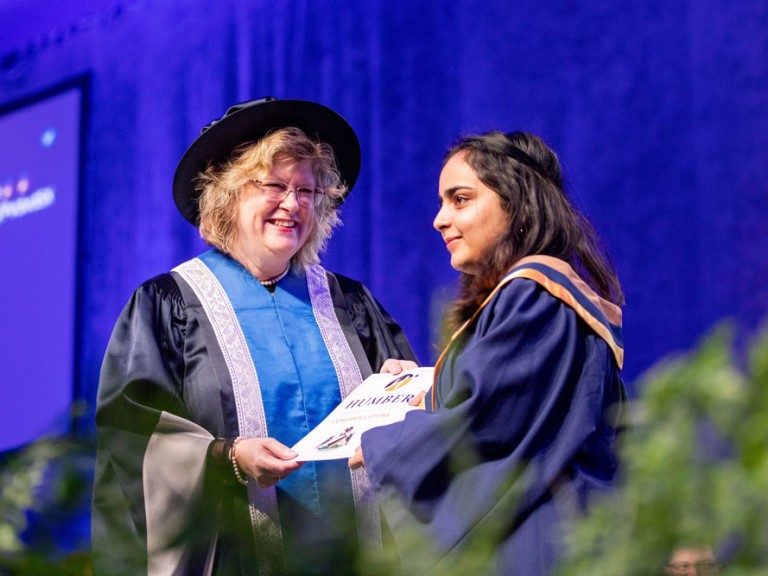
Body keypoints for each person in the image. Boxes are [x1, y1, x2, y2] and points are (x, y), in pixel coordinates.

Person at [92, 97, 418, 575]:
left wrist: (405, 390)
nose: (293, 204)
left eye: (307, 191)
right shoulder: (170, 304)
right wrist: (228, 457)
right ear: (227, 194)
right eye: (275, 185)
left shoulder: (351, 304)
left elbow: (411, 430)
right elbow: (134, 438)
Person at [350, 130, 627, 575]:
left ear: (516, 206)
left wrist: (383, 439)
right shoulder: (527, 298)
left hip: (538, 539)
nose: (440, 219)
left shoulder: (537, 292)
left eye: (460, 199)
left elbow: (486, 417)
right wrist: (422, 392)